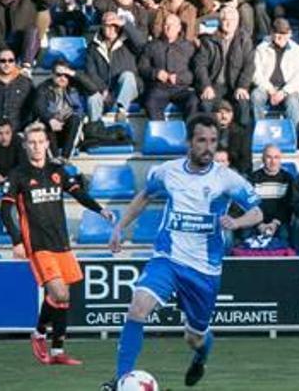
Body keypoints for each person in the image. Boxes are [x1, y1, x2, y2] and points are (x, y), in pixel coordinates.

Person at [106, 115, 263, 389]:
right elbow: (145, 196)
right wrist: (120, 225)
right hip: (168, 258)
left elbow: (257, 212)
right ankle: (120, 380)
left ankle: (201, 356)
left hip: (204, 269)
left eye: (213, 141)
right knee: (137, 309)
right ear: (189, 142)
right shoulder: (168, 171)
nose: (208, 147)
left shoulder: (226, 178)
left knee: (194, 337)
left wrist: (236, 222)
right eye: (202, 140)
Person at [4, 122, 113, 366]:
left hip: (61, 243)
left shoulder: (57, 171)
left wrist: (100, 209)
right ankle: (40, 333)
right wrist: (16, 241)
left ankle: (57, 351)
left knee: (63, 299)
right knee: (59, 292)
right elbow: (5, 209)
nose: (37, 146)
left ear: (47, 144)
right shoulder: (18, 175)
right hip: (38, 244)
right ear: (25, 145)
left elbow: (77, 193)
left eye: (40, 142)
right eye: (31, 142)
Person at [194, 5, 254, 118]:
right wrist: (206, 86)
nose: (229, 23)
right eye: (225, 20)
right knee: (205, 105)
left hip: (235, 85)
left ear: (237, 22)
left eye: (232, 20)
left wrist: (242, 86)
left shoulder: (245, 40)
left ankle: (240, 135)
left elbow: (249, 66)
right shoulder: (209, 40)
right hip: (214, 84)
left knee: (243, 107)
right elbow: (200, 65)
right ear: (220, 22)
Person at [139, 13, 199, 120]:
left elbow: (195, 71)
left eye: (172, 25)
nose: (169, 28)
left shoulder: (188, 47)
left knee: (193, 101)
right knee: (150, 102)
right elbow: (142, 67)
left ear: (179, 28)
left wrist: (179, 78)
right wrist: (156, 73)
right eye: (166, 25)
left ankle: (189, 133)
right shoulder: (152, 45)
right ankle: (160, 134)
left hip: (181, 89)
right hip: (159, 88)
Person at [251, 18, 299, 128]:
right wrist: (270, 89)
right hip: (267, 87)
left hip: (289, 89)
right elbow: (256, 73)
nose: (281, 37)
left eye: (284, 34)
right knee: (256, 96)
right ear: (272, 33)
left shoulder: (297, 50)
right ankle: (260, 131)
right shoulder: (261, 49)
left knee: (293, 102)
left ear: (290, 34)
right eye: (278, 33)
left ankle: (294, 135)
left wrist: (284, 91)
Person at [85, 14, 141, 123]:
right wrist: (103, 89)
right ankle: (95, 129)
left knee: (127, 76)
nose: (111, 29)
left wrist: (125, 24)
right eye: (108, 26)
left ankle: (121, 111)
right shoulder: (93, 47)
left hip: (129, 89)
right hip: (106, 91)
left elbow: (141, 43)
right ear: (102, 26)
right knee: (92, 98)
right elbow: (91, 73)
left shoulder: (129, 42)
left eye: (115, 25)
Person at [31, 58, 89, 159]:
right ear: (52, 74)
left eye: (66, 75)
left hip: (70, 131)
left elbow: (93, 87)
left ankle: (65, 158)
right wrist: (50, 119)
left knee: (75, 119)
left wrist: (72, 73)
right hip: (52, 131)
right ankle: (54, 158)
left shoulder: (75, 86)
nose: (62, 78)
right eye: (58, 74)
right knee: (44, 121)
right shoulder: (44, 88)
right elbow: (38, 106)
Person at [246, 145, 293, 243]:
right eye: (269, 157)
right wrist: (259, 224)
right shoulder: (252, 179)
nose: (273, 161)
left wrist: (275, 223)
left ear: (280, 159)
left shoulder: (288, 179)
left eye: (276, 157)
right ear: (263, 159)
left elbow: (288, 206)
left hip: (279, 222)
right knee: (244, 235)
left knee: (285, 235)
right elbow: (248, 206)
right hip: (256, 222)